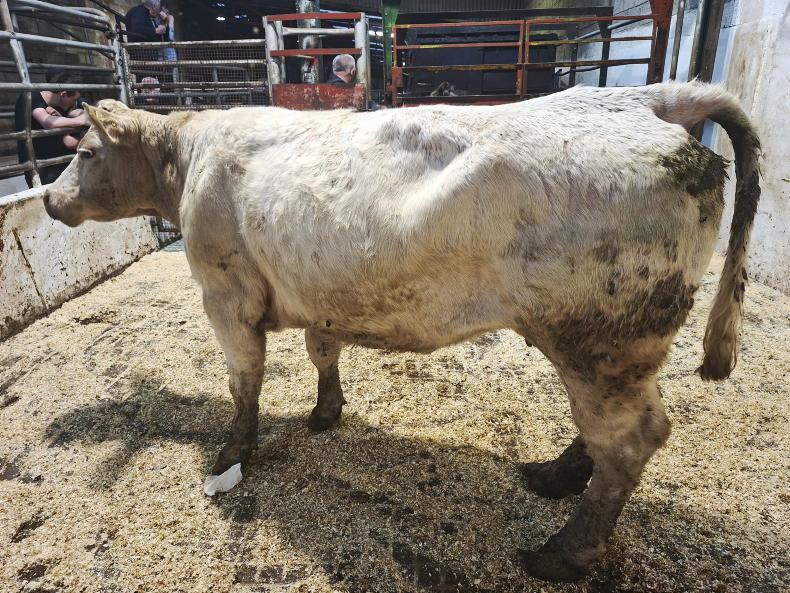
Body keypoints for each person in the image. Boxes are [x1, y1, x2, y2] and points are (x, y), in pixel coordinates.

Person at [14, 69, 89, 187]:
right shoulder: (31, 97)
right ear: (63, 94)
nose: (74, 103)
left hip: (63, 165)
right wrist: (79, 120)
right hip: (41, 168)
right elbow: (47, 122)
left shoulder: (59, 104)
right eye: (73, 100)